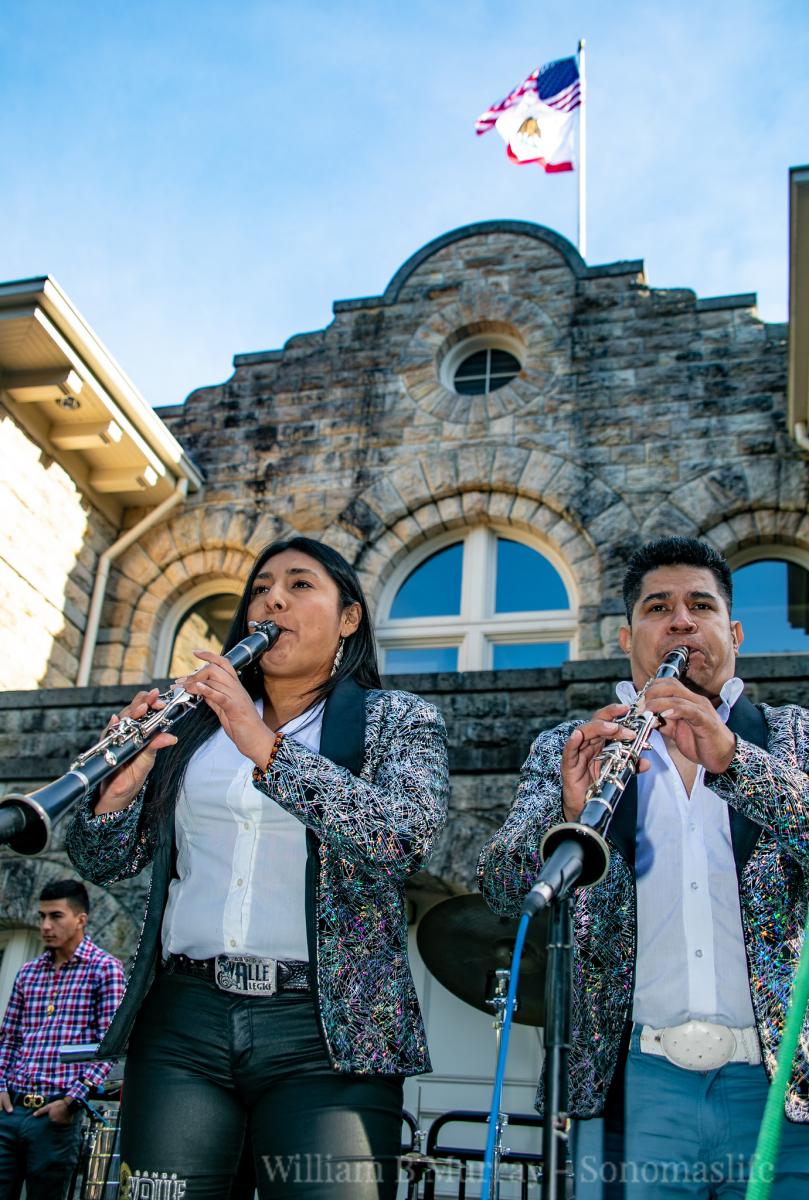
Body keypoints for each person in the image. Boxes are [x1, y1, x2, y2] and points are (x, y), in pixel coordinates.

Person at [65, 536, 449, 1200]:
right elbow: (104, 860)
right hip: (185, 1018)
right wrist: (116, 792)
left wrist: (261, 743)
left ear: (349, 617)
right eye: (261, 588)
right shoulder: (192, 726)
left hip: (326, 1030)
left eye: (301, 585)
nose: (273, 598)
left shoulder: (399, 721)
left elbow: (403, 838)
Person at [478, 536, 809, 1198]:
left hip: (780, 1086)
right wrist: (566, 817)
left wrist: (734, 761)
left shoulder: (795, 735)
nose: (680, 621)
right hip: (636, 1080)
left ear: (733, 632)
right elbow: (502, 885)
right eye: (659, 607)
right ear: (629, 637)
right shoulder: (570, 744)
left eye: (699, 606)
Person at [0, 879, 125, 1200]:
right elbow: (9, 1038)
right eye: (42, 916)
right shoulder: (28, 972)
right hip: (9, 1110)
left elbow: (109, 1047)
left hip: (56, 1115)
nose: (45, 925)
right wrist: (1, 1086)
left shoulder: (105, 970)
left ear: (80, 919)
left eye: (56, 916)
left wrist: (71, 1102)